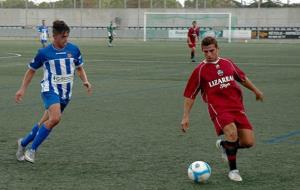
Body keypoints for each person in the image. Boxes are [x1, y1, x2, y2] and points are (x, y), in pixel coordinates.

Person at [180, 36, 264, 182]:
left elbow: (242, 78)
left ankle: (225, 145)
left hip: (237, 107)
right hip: (218, 109)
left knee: (248, 142)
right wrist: (186, 116)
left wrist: (256, 91)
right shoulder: (200, 70)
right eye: (205, 52)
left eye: (211, 51)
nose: (209, 54)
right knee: (231, 133)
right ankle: (233, 171)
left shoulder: (227, 63)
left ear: (218, 49)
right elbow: (190, 95)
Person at [15, 20, 92, 163]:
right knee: (55, 118)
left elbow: (79, 68)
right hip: (49, 90)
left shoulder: (74, 50)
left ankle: (23, 143)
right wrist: (22, 89)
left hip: (65, 94)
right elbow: (31, 71)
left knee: (43, 123)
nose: (66, 40)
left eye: (67, 36)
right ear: (55, 36)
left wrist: (85, 81)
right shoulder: (44, 53)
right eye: (63, 37)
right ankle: (32, 150)